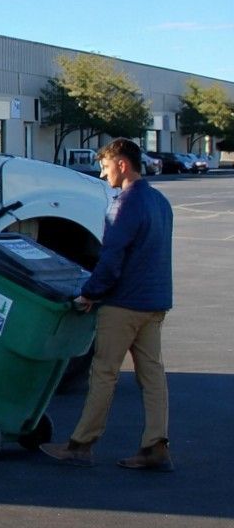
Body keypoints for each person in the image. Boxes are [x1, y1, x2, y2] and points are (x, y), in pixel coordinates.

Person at [41, 138, 174, 471]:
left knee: (103, 374)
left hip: (123, 305)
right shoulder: (160, 202)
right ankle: (156, 446)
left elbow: (111, 260)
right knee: (152, 376)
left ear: (122, 164)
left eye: (105, 166)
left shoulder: (123, 205)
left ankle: (81, 444)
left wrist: (89, 293)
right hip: (154, 303)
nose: (102, 174)